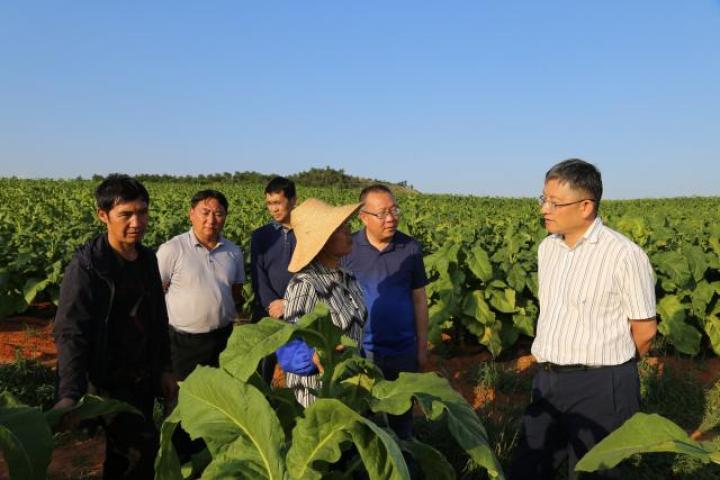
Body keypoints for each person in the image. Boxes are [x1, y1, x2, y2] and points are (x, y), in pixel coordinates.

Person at [510, 159, 657, 480]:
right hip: (547, 380)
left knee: (594, 472)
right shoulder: (547, 249)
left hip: (601, 386)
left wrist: (612, 369)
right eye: (543, 199)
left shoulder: (624, 255)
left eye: (554, 202)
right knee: (530, 466)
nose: (544, 209)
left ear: (586, 206)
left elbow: (645, 330)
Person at [53, 174, 176, 479]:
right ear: (103, 215)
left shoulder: (147, 259)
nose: (137, 222)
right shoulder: (87, 267)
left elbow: (158, 319)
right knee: (137, 453)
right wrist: (70, 392)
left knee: (131, 458)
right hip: (107, 380)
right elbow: (71, 331)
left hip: (142, 376)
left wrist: (164, 368)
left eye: (142, 212)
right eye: (126, 214)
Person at [156, 189, 245, 461]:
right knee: (183, 404)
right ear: (191, 214)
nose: (211, 220)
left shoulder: (233, 252)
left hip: (222, 339)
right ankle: (178, 461)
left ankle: (212, 459)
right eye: (205, 213)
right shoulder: (173, 249)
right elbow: (156, 294)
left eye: (218, 213)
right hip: (183, 342)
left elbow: (237, 292)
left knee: (219, 402)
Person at [342, 184, 429, 440]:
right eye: (382, 213)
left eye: (394, 210)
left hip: (402, 350)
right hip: (362, 352)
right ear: (363, 217)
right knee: (362, 420)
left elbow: (419, 299)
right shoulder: (348, 248)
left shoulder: (410, 247)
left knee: (402, 419)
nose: (391, 218)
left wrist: (422, 347)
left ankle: (404, 465)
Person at [277, 198, 366, 407]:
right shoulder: (305, 283)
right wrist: (314, 356)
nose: (348, 231)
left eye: (346, 225)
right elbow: (287, 345)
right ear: (322, 240)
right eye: (340, 228)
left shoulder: (348, 277)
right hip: (317, 395)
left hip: (348, 389)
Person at [250, 177, 297, 384]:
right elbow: (258, 274)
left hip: (299, 311)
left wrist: (289, 304)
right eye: (270, 204)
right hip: (267, 312)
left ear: (293, 200)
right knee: (261, 368)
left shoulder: (307, 234)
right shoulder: (261, 236)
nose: (274, 209)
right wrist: (272, 305)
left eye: (278, 203)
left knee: (300, 367)